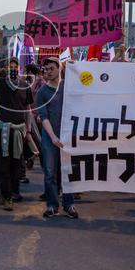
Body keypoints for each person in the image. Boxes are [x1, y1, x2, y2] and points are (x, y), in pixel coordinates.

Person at [0, 53, 33, 211]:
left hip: (19, 131)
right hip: (3, 130)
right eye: (10, 67)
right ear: (6, 69)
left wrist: (29, 130)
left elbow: (28, 109)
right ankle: (7, 197)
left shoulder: (25, 85)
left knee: (17, 166)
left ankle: (12, 191)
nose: (12, 69)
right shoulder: (0, 83)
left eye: (15, 67)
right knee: (3, 165)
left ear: (19, 69)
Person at [36, 57, 77, 218]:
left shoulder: (69, 87)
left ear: (59, 68)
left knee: (68, 171)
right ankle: (52, 205)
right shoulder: (42, 92)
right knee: (50, 172)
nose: (48, 72)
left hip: (68, 136)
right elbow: (43, 117)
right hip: (50, 137)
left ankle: (69, 204)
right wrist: (53, 137)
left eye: (51, 68)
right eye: (45, 69)